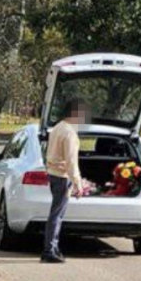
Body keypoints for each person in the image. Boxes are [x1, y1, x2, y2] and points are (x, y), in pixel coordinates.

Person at [41, 99, 88, 263]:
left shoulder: (57, 128)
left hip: (53, 173)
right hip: (62, 177)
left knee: (55, 213)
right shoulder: (69, 133)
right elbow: (71, 161)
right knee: (57, 215)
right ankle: (49, 250)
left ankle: (51, 248)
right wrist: (78, 183)